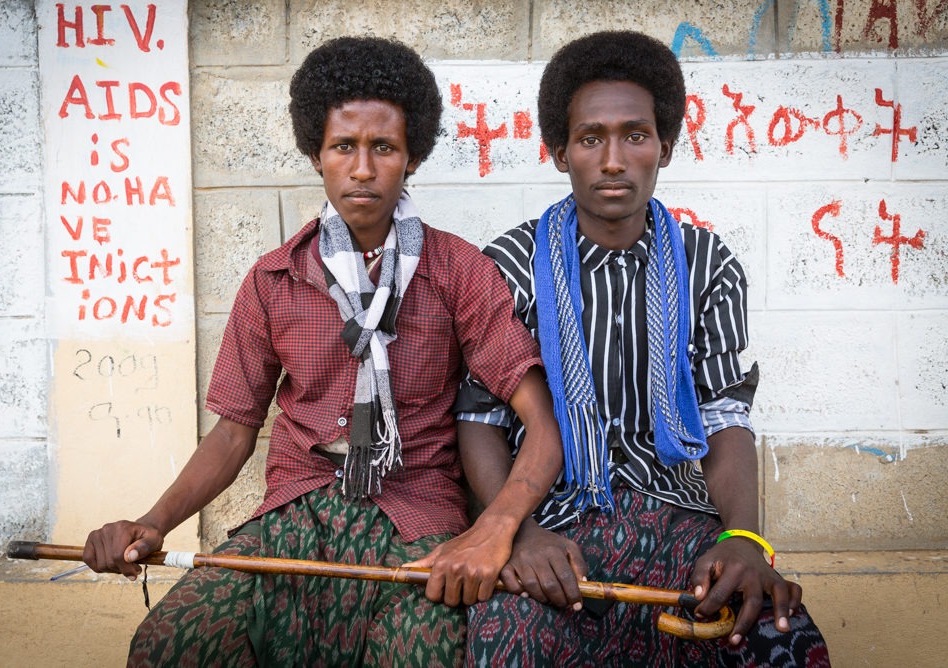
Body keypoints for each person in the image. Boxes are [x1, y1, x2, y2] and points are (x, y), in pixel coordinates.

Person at [82, 36, 564, 667]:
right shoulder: (274, 279)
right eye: (344, 146)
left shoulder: (458, 272)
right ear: (316, 153)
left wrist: (498, 528)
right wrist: (155, 522)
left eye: (383, 148)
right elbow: (233, 434)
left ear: (411, 156)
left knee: (423, 653)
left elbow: (542, 426)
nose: (363, 168)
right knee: (173, 640)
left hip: (416, 519)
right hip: (295, 516)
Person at [455, 31, 831, 667]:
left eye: (635, 135)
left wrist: (741, 539)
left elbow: (723, 416)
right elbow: (480, 420)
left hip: (679, 521)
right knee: (507, 638)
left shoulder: (708, 266)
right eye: (590, 138)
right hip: (554, 531)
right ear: (558, 151)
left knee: (780, 637)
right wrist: (513, 532)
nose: (612, 160)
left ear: (667, 147)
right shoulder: (508, 267)